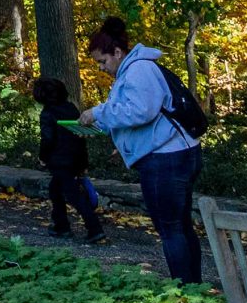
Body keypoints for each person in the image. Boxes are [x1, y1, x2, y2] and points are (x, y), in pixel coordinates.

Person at [80, 17, 204, 283]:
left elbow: (141, 111)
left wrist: (97, 111)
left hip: (167, 161)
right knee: (180, 226)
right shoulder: (135, 70)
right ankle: (194, 288)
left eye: (103, 61)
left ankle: (185, 292)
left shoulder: (138, 70)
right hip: (173, 154)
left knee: (170, 229)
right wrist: (124, 142)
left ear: (117, 52)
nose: (102, 68)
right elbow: (145, 116)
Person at [34, 77, 106, 242]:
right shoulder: (71, 108)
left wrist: (43, 157)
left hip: (59, 161)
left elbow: (47, 139)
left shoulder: (47, 113)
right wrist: (83, 162)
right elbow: (80, 136)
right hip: (75, 158)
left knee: (73, 195)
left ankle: (94, 228)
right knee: (55, 190)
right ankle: (61, 225)